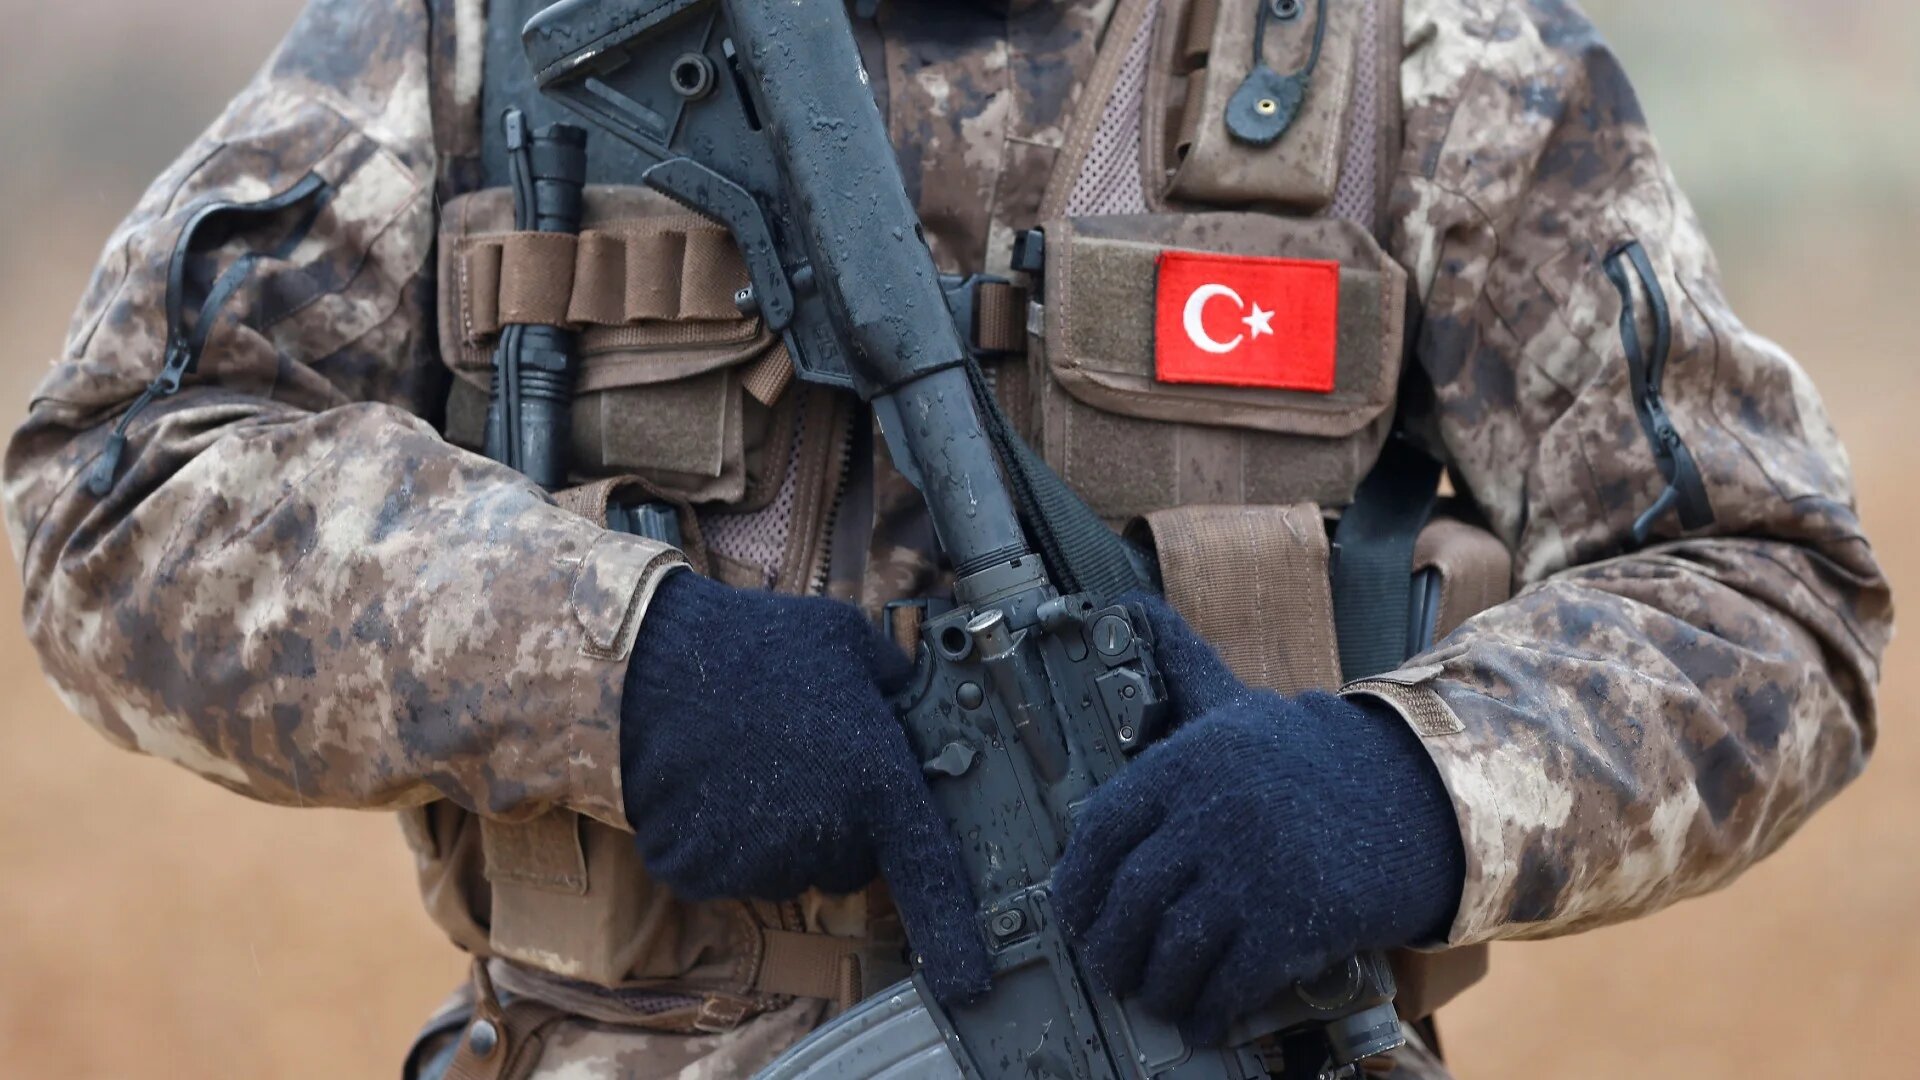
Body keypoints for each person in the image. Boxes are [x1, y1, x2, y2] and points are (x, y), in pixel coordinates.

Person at [4, 0, 1890, 1077]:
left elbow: (1766, 583)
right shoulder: (496, 38)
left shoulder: (1421, 63)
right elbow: (111, 484)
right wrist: (615, 666)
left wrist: (1406, 789)